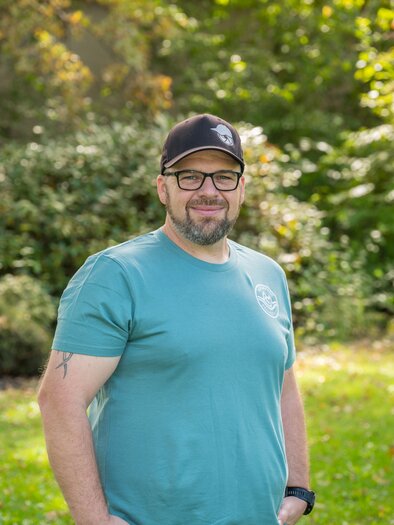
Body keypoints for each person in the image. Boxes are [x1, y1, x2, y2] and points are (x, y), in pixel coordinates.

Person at [38, 113, 315, 525]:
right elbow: (59, 401)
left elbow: (283, 382)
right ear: (162, 187)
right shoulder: (116, 275)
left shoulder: (267, 274)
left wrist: (298, 487)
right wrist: (94, 521)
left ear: (241, 188)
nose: (208, 191)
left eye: (223, 176)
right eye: (189, 176)